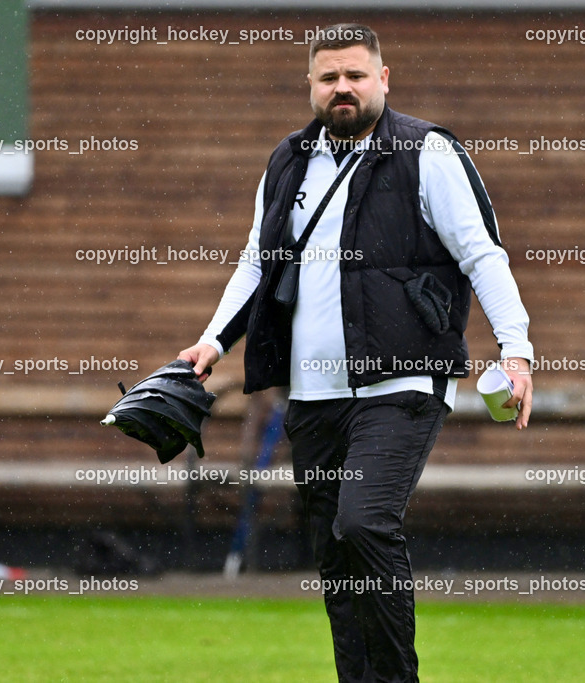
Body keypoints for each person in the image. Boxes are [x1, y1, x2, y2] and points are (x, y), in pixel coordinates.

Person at [178, 23, 533, 682]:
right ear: (311, 85)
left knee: (365, 521)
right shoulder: (287, 160)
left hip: (402, 383)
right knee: (337, 558)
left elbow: (483, 253)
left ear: (383, 79)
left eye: (356, 75)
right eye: (329, 76)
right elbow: (258, 261)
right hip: (312, 396)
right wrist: (212, 340)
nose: (343, 87)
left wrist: (517, 350)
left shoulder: (425, 152)